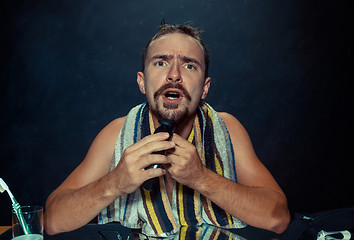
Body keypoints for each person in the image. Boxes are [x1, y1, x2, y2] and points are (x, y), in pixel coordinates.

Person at [44, 23, 290, 237]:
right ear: (142, 81)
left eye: (189, 66)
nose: (174, 75)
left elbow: (277, 218)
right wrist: (115, 183)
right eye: (160, 62)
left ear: (205, 88)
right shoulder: (115, 135)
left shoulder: (227, 129)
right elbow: (52, 221)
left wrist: (201, 178)